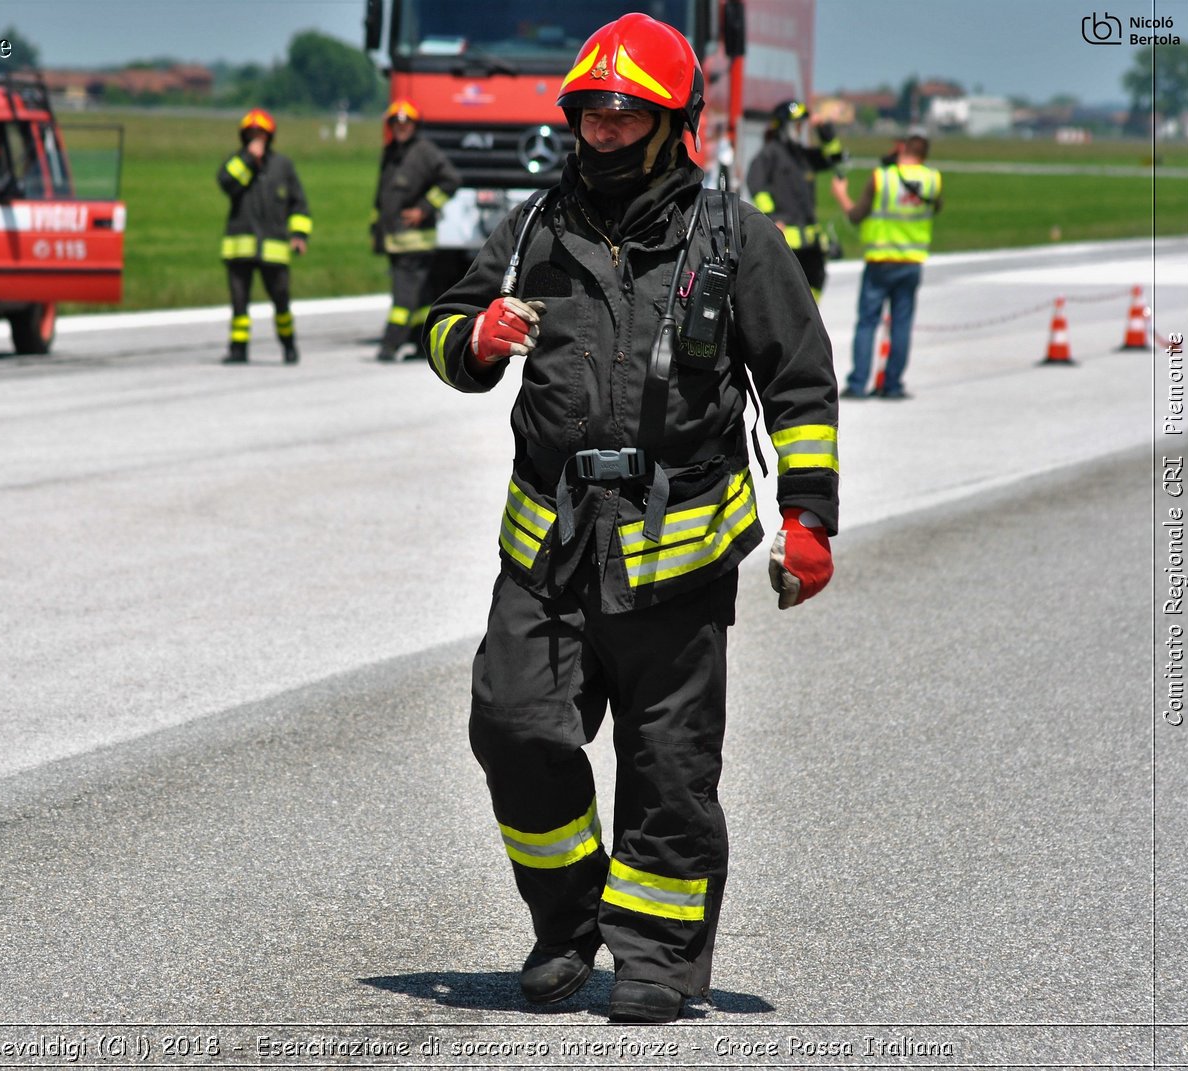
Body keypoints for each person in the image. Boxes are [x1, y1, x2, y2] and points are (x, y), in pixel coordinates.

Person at [423, 14, 839, 1024]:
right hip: (548, 550)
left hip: (678, 559)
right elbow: (439, 334)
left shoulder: (735, 237)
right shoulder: (532, 227)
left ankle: (653, 953)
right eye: (589, 111)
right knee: (513, 727)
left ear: (671, 122)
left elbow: (798, 383)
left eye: (624, 113)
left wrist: (809, 517)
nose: (601, 129)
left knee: (669, 768)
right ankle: (566, 921)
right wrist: (474, 337)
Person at [831, 130, 942, 399]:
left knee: (868, 322)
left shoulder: (884, 177)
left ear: (902, 149)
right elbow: (936, 208)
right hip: (912, 261)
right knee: (902, 324)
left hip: (880, 260)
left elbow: (857, 215)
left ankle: (858, 384)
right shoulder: (932, 180)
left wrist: (841, 195)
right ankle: (892, 385)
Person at [216, 109, 312, 364]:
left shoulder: (282, 166)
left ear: (270, 136)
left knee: (281, 303)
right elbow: (225, 181)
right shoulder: (237, 161)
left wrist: (299, 234)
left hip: (274, 249)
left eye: (261, 133)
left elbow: (298, 204)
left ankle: (289, 347)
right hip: (240, 248)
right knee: (239, 306)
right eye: (252, 133)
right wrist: (248, 159)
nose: (257, 138)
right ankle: (238, 350)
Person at [372, 99, 460, 362]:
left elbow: (451, 180)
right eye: (396, 123)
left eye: (405, 123)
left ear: (414, 125)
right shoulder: (391, 153)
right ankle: (422, 343)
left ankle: (390, 344)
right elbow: (382, 198)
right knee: (421, 298)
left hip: (416, 241)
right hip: (394, 239)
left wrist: (424, 209)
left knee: (403, 296)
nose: (401, 128)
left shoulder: (425, 152)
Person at [745, 99, 846, 301]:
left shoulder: (801, 155)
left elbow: (834, 157)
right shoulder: (770, 154)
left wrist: (823, 129)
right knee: (786, 291)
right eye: (796, 125)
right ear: (782, 126)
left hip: (811, 240)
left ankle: (807, 322)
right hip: (787, 237)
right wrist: (772, 218)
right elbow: (757, 186)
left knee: (816, 280)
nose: (800, 129)